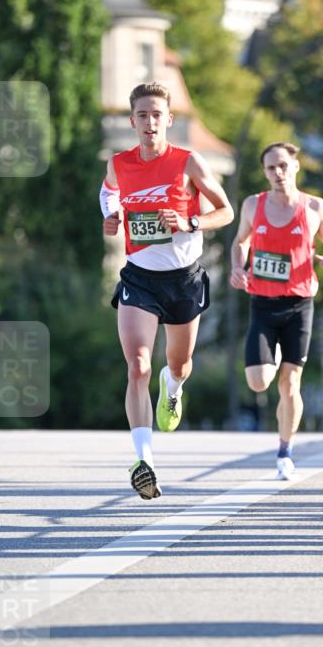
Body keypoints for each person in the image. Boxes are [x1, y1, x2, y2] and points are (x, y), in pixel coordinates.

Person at [100, 82, 233, 500]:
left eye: (157, 114)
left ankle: (172, 389)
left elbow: (225, 211)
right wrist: (110, 216)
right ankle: (145, 459)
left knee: (179, 364)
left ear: (168, 120)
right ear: (133, 121)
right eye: (142, 115)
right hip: (139, 278)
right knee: (137, 365)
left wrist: (189, 222)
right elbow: (108, 194)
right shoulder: (119, 163)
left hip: (183, 279)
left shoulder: (188, 162)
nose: (150, 122)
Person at [229, 142, 323, 480]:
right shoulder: (253, 205)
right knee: (258, 382)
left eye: (282, 166)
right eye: (270, 168)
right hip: (262, 304)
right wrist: (239, 267)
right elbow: (240, 242)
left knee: (290, 383)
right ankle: (274, 355)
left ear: (295, 167)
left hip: (298, 304)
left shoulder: (314, 207)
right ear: (264, 172)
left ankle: (284, 452)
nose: (277, 173)